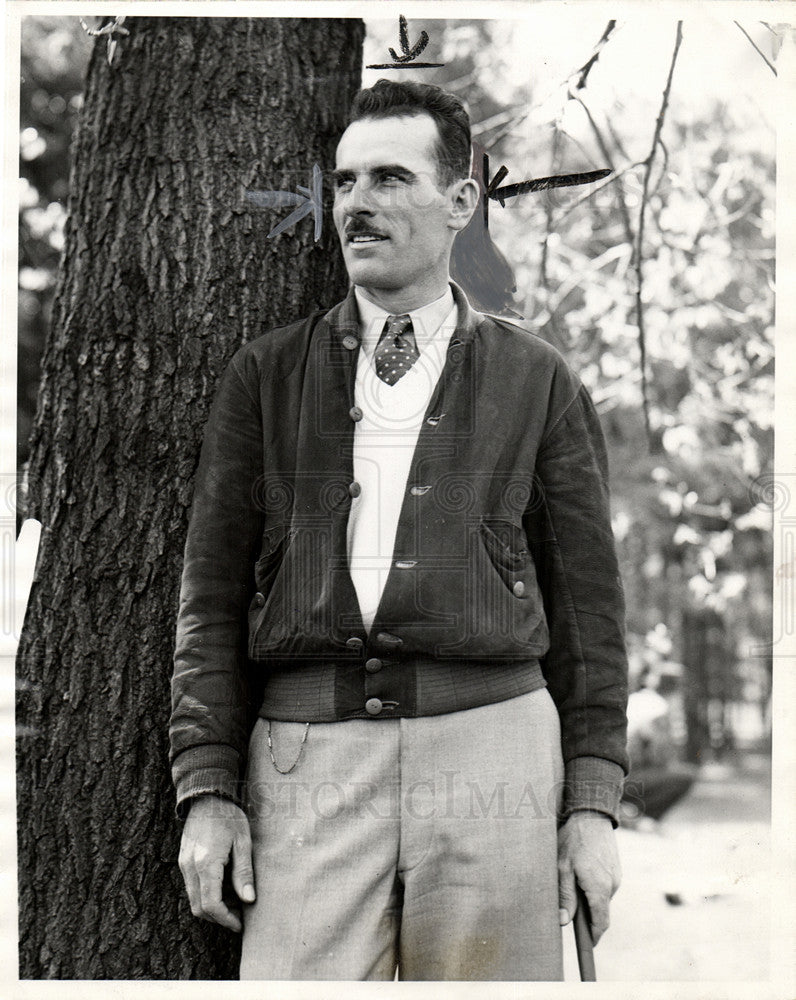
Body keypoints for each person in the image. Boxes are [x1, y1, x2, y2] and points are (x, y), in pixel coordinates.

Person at [170, 79, 628, 981]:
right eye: (343, 183)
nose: (357, 206)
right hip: (308, 765)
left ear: (461, 202)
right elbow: (209, 595)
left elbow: (588, 610)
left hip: (498, 749)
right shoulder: (265, 376)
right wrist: (209, 789)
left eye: (388, 178)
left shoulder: (538, 379)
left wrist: (592, 806)